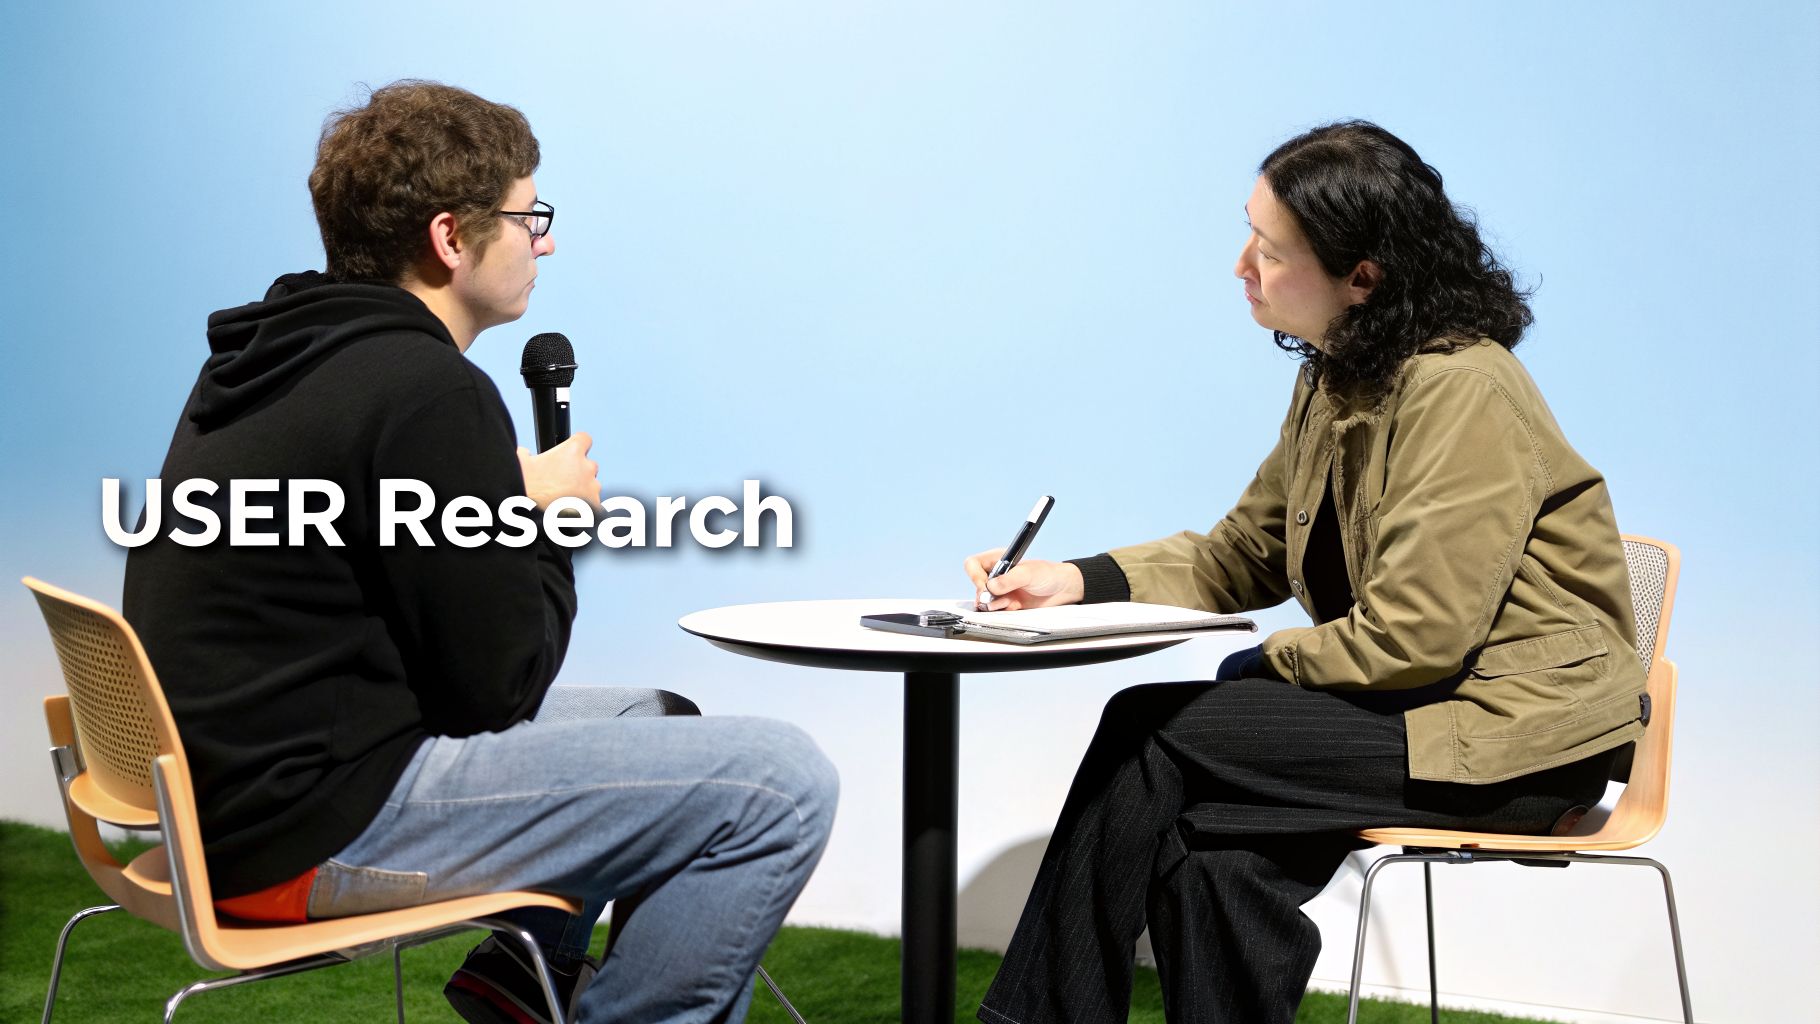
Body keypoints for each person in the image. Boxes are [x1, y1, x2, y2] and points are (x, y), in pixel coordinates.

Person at [123, 80, 837, 1024]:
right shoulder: (425, 389)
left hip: (229, 801)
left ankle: (516, 984)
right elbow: (496, 693)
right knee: (780, 782)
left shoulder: (273, 354)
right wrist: (538, 518)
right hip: (307, 831)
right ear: (452, 238)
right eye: (527, 216)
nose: (545, 242)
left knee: (649, 713)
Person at [962, 120, 1647, 1024]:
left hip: (1515, 742)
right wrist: (1075, 578)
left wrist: (1263, 665)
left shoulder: (1460, 387)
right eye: (1249, 232)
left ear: (1363, 277)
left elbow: (1418, 634)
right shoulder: (1339, 375)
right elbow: (1241, 553)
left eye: (1272, 249)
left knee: (1146, 726)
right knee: (1207, 856)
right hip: (1410, 715)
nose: (1242, 265)